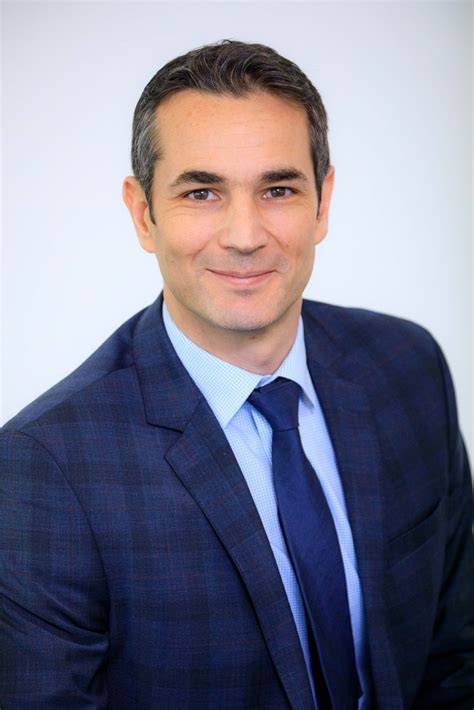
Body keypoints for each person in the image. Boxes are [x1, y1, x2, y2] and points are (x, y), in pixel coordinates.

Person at [0, 39, 472, 710]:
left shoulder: (408, 369)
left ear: (323, 201)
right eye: (202, 192)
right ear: (142, 213)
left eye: (278, 189)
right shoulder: (45, 469)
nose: (245, 235)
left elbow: (458, 656)